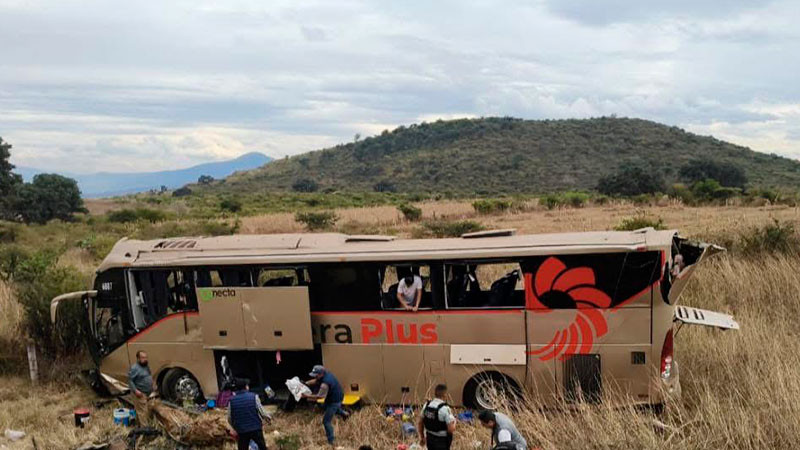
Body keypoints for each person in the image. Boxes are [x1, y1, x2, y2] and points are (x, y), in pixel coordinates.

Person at [302, 365, 348, 446]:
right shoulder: (326, 374)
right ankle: (345, 414)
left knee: (326, 421)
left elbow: (320, 396)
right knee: (325, 407)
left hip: (335, 400)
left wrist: (306, 396)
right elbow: (316, 381)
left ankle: (331, 441)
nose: (315, 376)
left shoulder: (325, 384)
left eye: (316, 375)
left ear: (321, 374)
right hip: (332, 397)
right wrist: (305, 383)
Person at [227, 379, 271, 450]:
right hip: (256, 428)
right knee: (262, 447)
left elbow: (229, 418)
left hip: (242, 431)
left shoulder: (231, 401)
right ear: (246, 387)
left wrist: (236, 427)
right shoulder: (254, 396)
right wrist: (268, 419)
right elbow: (262, 412)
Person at [418, 384, 456, 450]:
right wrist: (455, 421)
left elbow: (420, 423)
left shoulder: (426, 405)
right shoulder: (445, 409)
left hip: (429, 438)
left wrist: (422, 437)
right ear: (445, 395)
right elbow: (451, 430)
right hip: (441, 441)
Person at [128, 350, 156, 424]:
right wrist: (135, 391)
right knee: (143, 412)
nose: (145, 359)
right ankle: (145, 430)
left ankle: (138, 425)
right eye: (143, 357)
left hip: (148, 392)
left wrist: (152, 384)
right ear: (138, 359)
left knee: (144, 410)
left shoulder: (146, 366)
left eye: (146, 357)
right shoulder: (134, 368)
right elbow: (130, 381)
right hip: (140, 393)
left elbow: (149, 375)